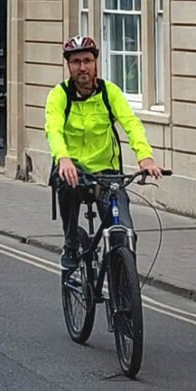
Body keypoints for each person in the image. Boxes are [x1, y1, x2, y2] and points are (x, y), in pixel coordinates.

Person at [45, 35, 162, 270]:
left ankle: (121, 277)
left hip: (107, 173)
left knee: (124, 232)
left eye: (87, 60)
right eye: (76, 62)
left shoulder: (110, 93)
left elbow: (131, 123)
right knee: (66, 184)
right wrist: (64, 158)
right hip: (74, 168)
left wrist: (145, 156)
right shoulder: (59, 95)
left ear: (95, 62)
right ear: (69, 66)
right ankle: (70, 243)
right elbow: (53, 129)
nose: (83, 67)